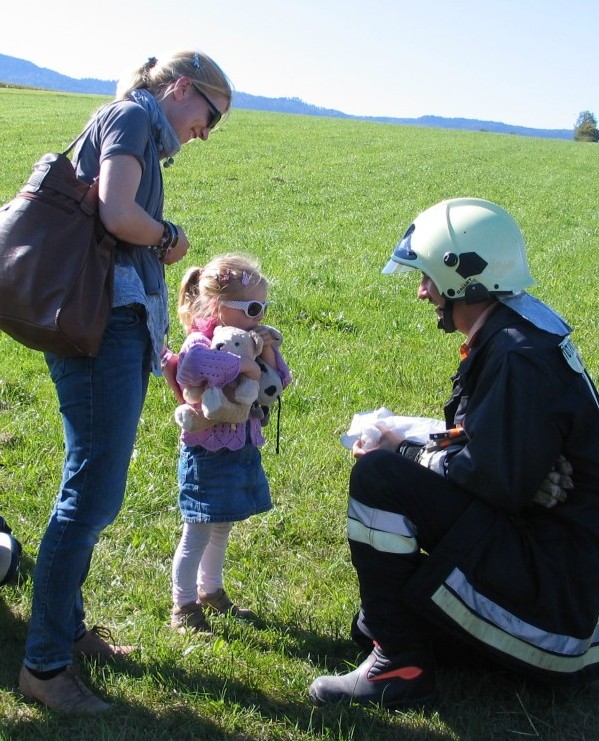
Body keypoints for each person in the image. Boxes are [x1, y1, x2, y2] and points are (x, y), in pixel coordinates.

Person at [309, 197, 599, 709]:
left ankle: (399, 667)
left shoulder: (518, 357)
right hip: (559, 578)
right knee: (377, 617)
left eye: (427, 278)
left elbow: (491, 481)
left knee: (381, 477)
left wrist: (402, 452)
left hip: (561, 614)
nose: (422, 292)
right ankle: (399, 641)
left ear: (462, 279)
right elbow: (495, 454)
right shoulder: (516, 333)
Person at [18, 50, 233, 714]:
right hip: (99, 322)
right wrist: (170, 234)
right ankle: (45, 666)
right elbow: (116, 212)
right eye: (209, 115)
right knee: (90, 493)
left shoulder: (135, 123)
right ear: (178, 88)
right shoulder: (132, 118)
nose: (206, 132)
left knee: (91, 485)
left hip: (105, 319)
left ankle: (69, 631)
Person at [166, 254, 291, 634]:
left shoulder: (252, 342)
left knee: (223, 527)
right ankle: (183, 604)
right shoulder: (199, 341)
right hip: (207, 452)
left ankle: (211, 591)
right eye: (253, 308)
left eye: (264, 307)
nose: (260, 315)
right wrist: (244, 367)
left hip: (240, 448)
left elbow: (280, 382)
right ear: (220, 308)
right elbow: (194, 368)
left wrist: (266, 351)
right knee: (199, 528)